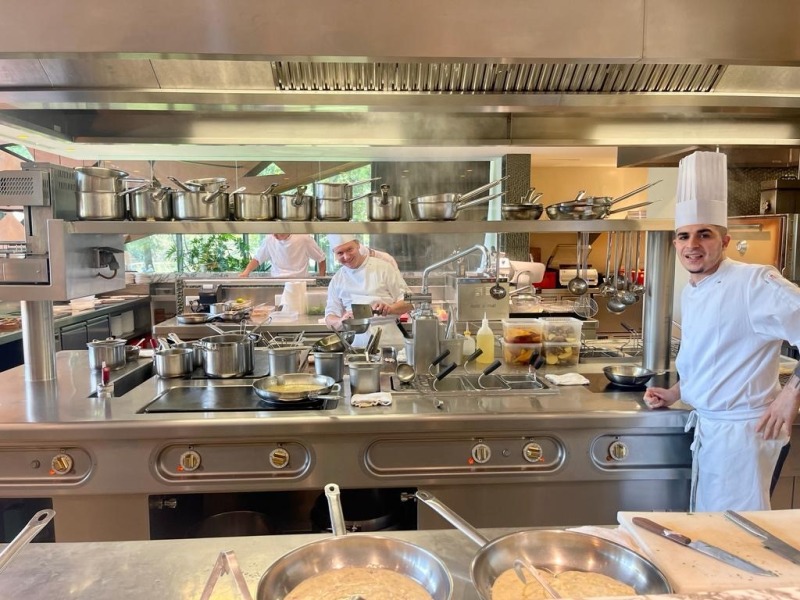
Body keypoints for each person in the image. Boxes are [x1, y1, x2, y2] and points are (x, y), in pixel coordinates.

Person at [643, 150, 800, 512]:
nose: (692, 245)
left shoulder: (754, 283)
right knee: (712, 530)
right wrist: (676, 392)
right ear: (675, 243)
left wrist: (789, 397)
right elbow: (711, 355)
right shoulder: (692, 289)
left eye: (705, 235)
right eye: (684, 236)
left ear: (725, 241)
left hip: (745, 434)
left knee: (736, 535)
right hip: (711, 431)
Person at [324, 233, 411, 333]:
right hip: (356, 340)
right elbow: (329, 319)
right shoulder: (337, 279)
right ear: (334, 254)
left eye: (349, 249)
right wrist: (341, 321)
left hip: (388, 337)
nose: (346, 257)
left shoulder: (384, 268)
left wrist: (390, 309)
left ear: (358, 245)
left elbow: (410, 301)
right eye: (340, 253)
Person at [239, 234, 326, 279]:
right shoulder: (270, 239)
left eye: (278, 232)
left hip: (299, 283)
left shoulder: (303, 238)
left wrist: (322, 279)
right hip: (276, 282)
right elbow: (257, 259)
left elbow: (321, 258)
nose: (275, 235)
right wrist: (246, 272)